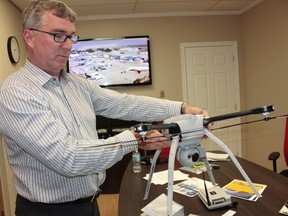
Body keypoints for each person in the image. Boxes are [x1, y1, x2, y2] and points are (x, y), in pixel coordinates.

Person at [0, 0, 209, 215]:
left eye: (71, 36)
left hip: (89, 204)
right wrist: (135, 137)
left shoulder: (76, 84)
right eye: (58, 35)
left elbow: (126, 104)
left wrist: (183, 108)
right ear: (29, 37)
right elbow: (68, 158)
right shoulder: (17, 93)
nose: (69, 45)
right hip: (47, 211)